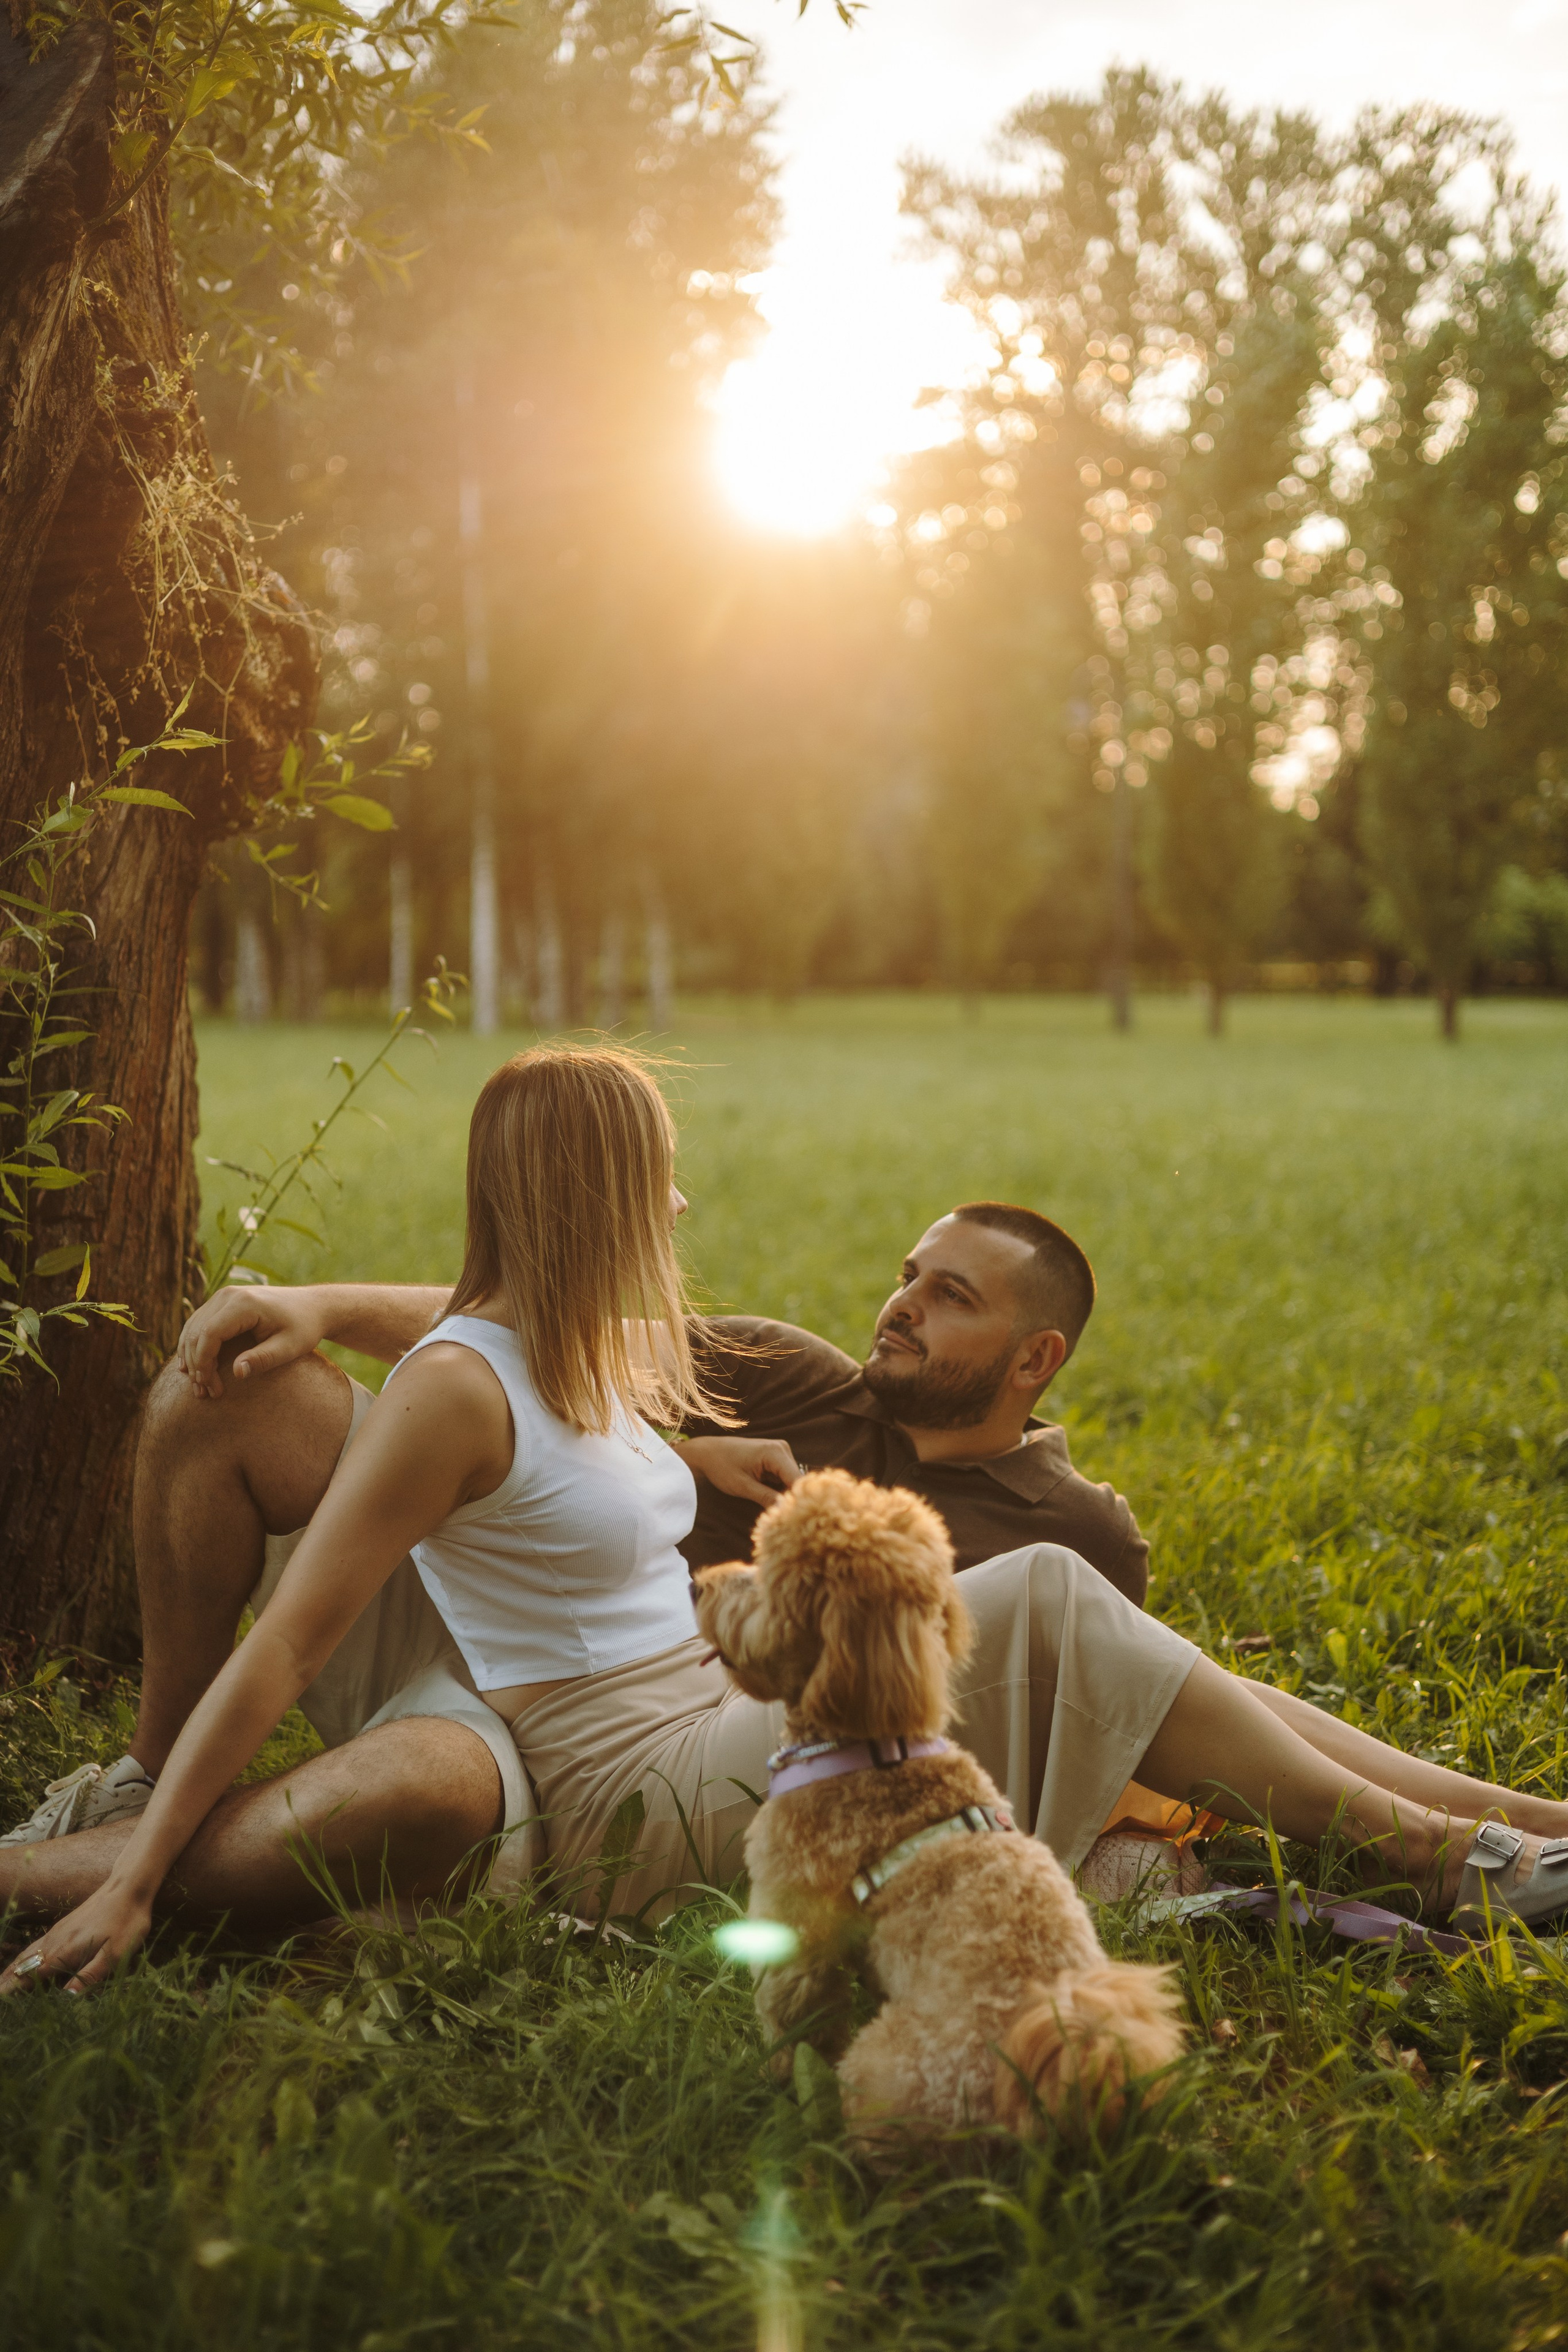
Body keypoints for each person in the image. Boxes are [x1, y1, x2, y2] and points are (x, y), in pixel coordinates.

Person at [6, 1042, 1568, 1995]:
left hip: (682, 1717)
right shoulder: (469, 1386)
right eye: (660, 1183)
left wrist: (693, 1469)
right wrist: (146, 1870)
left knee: (1062, 1608)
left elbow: (557, 1385)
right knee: (1029, 1606)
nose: (680, 1212)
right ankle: (1449, 1859)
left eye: (943, 1296)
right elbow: (288, 1646)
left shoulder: (591, 1359)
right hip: (619, 1774)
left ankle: (1494, 1831)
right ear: (598, 1202)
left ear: (1033, 1361)